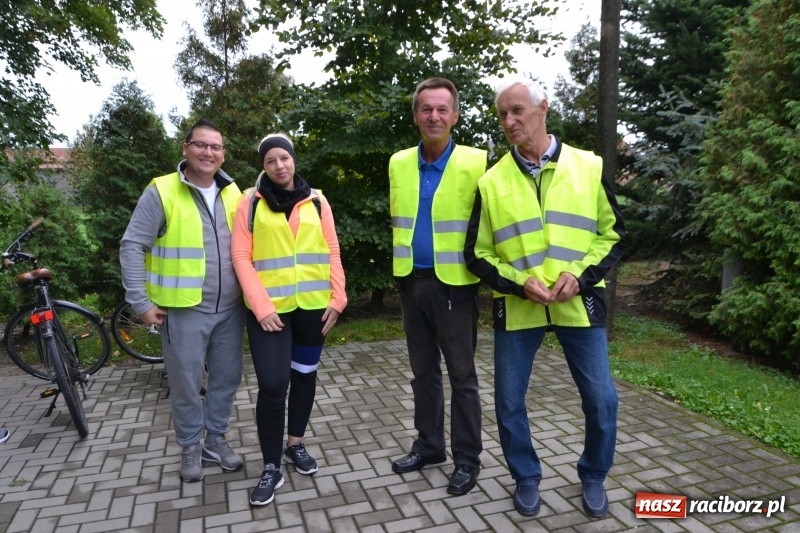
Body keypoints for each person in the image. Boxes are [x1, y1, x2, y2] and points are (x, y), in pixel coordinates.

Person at [464, 76, 625, 518]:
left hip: (579, 302)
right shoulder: (491, 181)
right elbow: (476, 254)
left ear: (543, 109)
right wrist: (518, 283)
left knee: (602, 399)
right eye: (502, 114)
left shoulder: (587, 166)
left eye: (517, 110)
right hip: (518, 308)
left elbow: (613, 235)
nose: (510, 120)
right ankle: (526, 476)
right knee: (510, 402)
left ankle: (593, 474)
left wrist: (582, 275)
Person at [120, 118, 245, 483]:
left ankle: (215, 440)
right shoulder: (162, 190)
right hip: (183, 310)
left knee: (226, 379)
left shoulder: (233, 192)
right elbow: (132, 245)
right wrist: (140, 302)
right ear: (185, 148)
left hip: (231, 309)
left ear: (223, 154)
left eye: (216, 147)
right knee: (187, 383)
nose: (208, 152)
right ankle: (191, 445)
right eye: (201, 145)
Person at [231, 133, 347, 506]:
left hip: (313, 308)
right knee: (273, 384)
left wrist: (339, 296)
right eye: (271, 161)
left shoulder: (317, 200)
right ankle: (269, 466)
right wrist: (261, 306)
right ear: (263, 166)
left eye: (285, 158)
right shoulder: (249, 203)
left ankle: (294, 445)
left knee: (304, 377)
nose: (279, 166)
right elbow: (241, 257)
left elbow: (331, 248)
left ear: (293, 159)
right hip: (270, 313)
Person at [388, 77, 486, 496]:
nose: (434, 116)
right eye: (426, 109)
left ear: (455, 116)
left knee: (462, 378)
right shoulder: (397, 162)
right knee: (422, 373)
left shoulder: (477, 162)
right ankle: (429, 445)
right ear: (415, 116)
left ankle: (467, 460)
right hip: (412, 283)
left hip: (456, 288)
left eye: (442, 109)